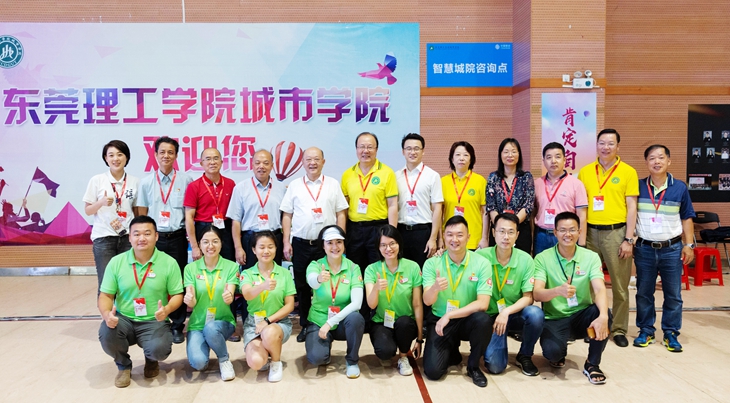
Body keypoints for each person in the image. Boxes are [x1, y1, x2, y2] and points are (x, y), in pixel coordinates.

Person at [97, 216, 183, 388]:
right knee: (107, 333)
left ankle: (151, 359)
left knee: (159, 349)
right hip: (124, 318)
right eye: (136, 234)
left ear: (156, 236)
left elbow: (177, 295)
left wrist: (167, 310)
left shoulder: (169, 262)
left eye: (147, 234)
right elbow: (105, 295)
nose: (141, 238)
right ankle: (123, 366)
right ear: (130, 237)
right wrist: (107, 315)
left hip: (154, 320)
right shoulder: (116, 262)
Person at [533, 212, 611, 385]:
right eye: (562, 230)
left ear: (579, 232)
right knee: (553, 354)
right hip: (554, 318)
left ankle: (592, 364)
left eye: (572, 230)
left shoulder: (591, 257)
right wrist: (557, 291)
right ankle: (560, 350)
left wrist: (604, 316)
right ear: (555, 232)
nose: (567, 234)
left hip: (582, 316)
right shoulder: (542, 258)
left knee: (603, 313)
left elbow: (599, 289)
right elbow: (537, 294)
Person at [577, 128, 638, 348]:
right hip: (590, 233)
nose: (606, 147)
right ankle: (592, 326)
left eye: (611, 143)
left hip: (616, 233)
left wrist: (629, 239)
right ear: (596, 145)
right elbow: (581, 207)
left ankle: (619, 328)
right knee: (588, 284)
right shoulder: (585, 172)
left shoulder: (628, 172)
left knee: (620, 285)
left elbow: (632, 207)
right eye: (602, 143)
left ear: (618, 146)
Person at [280, 147, 348, 343]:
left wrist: (340, 240)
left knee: (327, 284)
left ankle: (329, 323)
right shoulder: (294, 185)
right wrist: (286, 241)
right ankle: (305, 325)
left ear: (323, 162)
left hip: (326, 245)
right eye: (308, 159)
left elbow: (341, 213)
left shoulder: (332, 184)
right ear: (303, 162)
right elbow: (287, 215)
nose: (313, 163)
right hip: (301, 244)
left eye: (317, 159)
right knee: (302, 287)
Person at [634, 145, 696, 352]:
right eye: (652, 158)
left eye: (661, 157)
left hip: (672, 248)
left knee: (673, 294)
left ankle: (670, 332)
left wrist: (688, 245)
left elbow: (686, 217)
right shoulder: (638, 186)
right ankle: (646, 330)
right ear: (646, 162)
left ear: (669, 161)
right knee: (644, 292)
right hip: (644, 248)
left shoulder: (680, 187)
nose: (657, 162)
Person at [422, 216, 492, 388]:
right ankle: (452, 350)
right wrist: (435, 288)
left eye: (460, 235)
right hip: (440, 320)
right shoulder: (432, 263)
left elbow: (483, 303)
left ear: (468, 237)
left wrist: (450, 315)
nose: (454, 239)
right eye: (450, 234)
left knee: (483, 320)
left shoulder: (482, 263)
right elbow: (427, 301)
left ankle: (473, 366)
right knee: (432, 372)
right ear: (443, 237)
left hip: (466, 319)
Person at [138, 136, 193, 343]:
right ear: (155, 155)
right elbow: (142, 213)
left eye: (170, 152)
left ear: (176, 155)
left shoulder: (186, 180)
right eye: (162, 152)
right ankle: (156, 323)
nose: (166, 156)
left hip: (177, 237)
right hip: (155, 239)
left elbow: (190, 212)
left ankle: (178, 325)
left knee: (177, 281)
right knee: (153, 280)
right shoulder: (146, 183)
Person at [340, 132, 398, 321]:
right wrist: (343, 236)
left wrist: (391, 235)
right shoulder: (347, 174)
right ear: (356, 149)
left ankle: (378, 316)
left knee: (378, 271)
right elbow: (343, 209)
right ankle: (360, 316)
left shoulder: (386, 172)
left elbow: (392, 205)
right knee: (357, 272)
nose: (365, 151)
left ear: (376, 149)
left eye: (369, 147)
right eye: (362, 147)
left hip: (378, 229)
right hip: (355, 229)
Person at [478, 213, 543, 376]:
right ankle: (486, 344)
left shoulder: (526, 260)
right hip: (488, 316)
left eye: (510, 232)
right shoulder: (480, 257)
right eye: (501, 231)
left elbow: (529, 297)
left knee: (535, 314)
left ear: (517, 235)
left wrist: (506, 312)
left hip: (512, 314)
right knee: (495, 367)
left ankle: (525, 355)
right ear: (493, 232)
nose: (506, 237)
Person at [184, 147, 238, 341]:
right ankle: (201, 322)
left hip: (225, 230)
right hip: (203, 229)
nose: (212, 162)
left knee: (228, 277)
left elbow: (236, 214)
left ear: (222, 162)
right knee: (205, 279)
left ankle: (229, 325)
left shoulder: (230, 184)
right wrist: (194, 245)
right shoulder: (194, 186)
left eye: (216, 158)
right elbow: (189, 217)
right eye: (208, 159)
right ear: (201, 163)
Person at [305, 225, 365, 379]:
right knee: (317, 358)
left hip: (342, 322)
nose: (335, 247)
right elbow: (312, 281)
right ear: (323, 246)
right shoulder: (315, 265)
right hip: (319, 321)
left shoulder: (353, 268)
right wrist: (319, 278)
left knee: (356, 318)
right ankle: (325, 346)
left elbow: (357, 304)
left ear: (344, 244)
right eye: (330, 242)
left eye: (339, 242)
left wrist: (330, 323)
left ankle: (352, 361)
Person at [364, 225, 424, 376]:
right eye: (383, 245)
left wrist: (419, 338)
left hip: (405, 322)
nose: (388, 249)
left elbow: (417, 304)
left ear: (399, 244)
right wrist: (376, 288)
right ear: (378, 247)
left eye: (392, 244)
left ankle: (403, 357)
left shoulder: (412, 267)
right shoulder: (371, 269)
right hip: (381, 321)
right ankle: (390, 347)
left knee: (404, 323)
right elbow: (371, 304)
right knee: (384, 352)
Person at [182, 226, 239, 380]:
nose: (210, 246)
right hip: (198, 324)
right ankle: (208, 341)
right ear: (199, 244)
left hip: (223, 322)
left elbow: (230, 292)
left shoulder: (231, 266)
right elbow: (191, 297)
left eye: (215, 241)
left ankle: (224, 359)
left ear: (221, 243)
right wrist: (190, 300)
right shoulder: (190, 268)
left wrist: (229, 296)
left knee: (211, 329)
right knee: (199, 363)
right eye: (206, 242)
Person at [240, 230, 296, 382]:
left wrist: (268, 321)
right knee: (256, 362)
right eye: (261, 247)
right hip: (254, 324)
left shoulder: (284, 273)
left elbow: (290, 305)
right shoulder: (247, 273)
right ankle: (267, 350)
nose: (266, 251)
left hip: (278, 323)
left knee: (269, 332)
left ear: (276, 249)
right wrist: (262, 286)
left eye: (270, 247)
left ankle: (276, 363)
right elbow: (247, 294)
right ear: (254, 250)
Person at [84, 140, 138, 292]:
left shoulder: (135, 181)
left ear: (126, 157)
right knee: (106, 283)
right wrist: (100, 202)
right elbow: (88, 210)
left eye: (120, 154)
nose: (116, 159)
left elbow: (137, 211)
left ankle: (125, 309)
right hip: (104, 238)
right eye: (111, 155)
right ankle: (106, 309)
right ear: (106, 158)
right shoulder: (97, 180)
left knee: (127, 282)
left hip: (127, 238)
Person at [229, 149, 286, 271]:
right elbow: (236, 221)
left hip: (274, 238)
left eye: (266, 163)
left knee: (274, 274)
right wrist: (238, 248)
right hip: (250, 239)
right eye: (257, 163)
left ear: (272, 166)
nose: (261, 166)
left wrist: (286, 243)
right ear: (252, 165)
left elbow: (286, 218)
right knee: (250, 276)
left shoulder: (281, 188)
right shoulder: (241, 188)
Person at [395, 133, 443, 267]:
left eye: (416, 148)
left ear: (423, 151)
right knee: (403, 271)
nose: (412, 152)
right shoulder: (395, 176)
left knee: (423, 270)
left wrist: (433, 238)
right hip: (401, 231)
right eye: (408, 149)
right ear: (403, 151)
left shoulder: (432, 176)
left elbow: (437, 208)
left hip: (423, 232)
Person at [533, 142, 588, 255]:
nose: (553, 161)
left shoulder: (576, 184)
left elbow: (582, 216)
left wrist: (581, 243)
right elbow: (533, 212)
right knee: (541, 265)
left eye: (557, 157)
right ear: (544, 161)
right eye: (549, 157)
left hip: (566, 235)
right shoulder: (537, 183)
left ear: (564, 160)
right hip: (541, 235)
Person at [487, 138, 534, 254]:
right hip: (498, 230)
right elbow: (491, 206)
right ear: (500, 154)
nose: (510, 155)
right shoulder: (493, 177)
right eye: (506, 152)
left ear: (519, 154)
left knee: (521, 260)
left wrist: (513, 226)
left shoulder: (526, 177)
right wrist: (501, 227)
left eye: (514, 151)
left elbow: (528, 205)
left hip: (520, 229)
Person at [440, 141, 488, 251]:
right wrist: (440, 238)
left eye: (466, 155)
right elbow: (439, 213)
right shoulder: (443, 182)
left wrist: (484, 238)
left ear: (471, 159)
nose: (461, 158)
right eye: (457, 155)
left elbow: (486, 212)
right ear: (452, 159)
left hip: (474, 240)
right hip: (450, 240)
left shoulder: (480, 181)